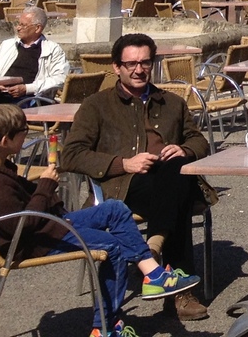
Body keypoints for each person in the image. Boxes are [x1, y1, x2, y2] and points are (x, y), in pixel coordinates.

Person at [0, 103, 200, 337]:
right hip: (34, 239)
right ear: (5, 141)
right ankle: (105, 328)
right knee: (112, 246)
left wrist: (46, 194)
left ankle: (152, 273)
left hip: (49, 225)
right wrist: (46, 187)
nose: (26, 134)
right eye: (22, 131)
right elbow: (21, 225)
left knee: (114, 209)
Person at [61, 32, 212, 322]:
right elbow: (72, 155)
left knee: (174, 173)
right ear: (116, 67)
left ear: (152, 64)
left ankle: (153, 253)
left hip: (169, 180)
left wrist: (182, 148)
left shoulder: (172, 102)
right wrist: (124, 164)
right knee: (177, 190)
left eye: (145, 62)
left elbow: (200, 142)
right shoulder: (96, 105)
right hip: (124, 186)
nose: (139, 69)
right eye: (131, 64)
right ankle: (178, 291)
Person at [0, 5, 69, 115]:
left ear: (37, 28)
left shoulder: (52, 50)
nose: (18, 28)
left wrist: (27, 88)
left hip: (28, 98)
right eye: (18, 24)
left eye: (23, 25)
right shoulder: (7, 45)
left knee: (2, 116)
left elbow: (60, 78)